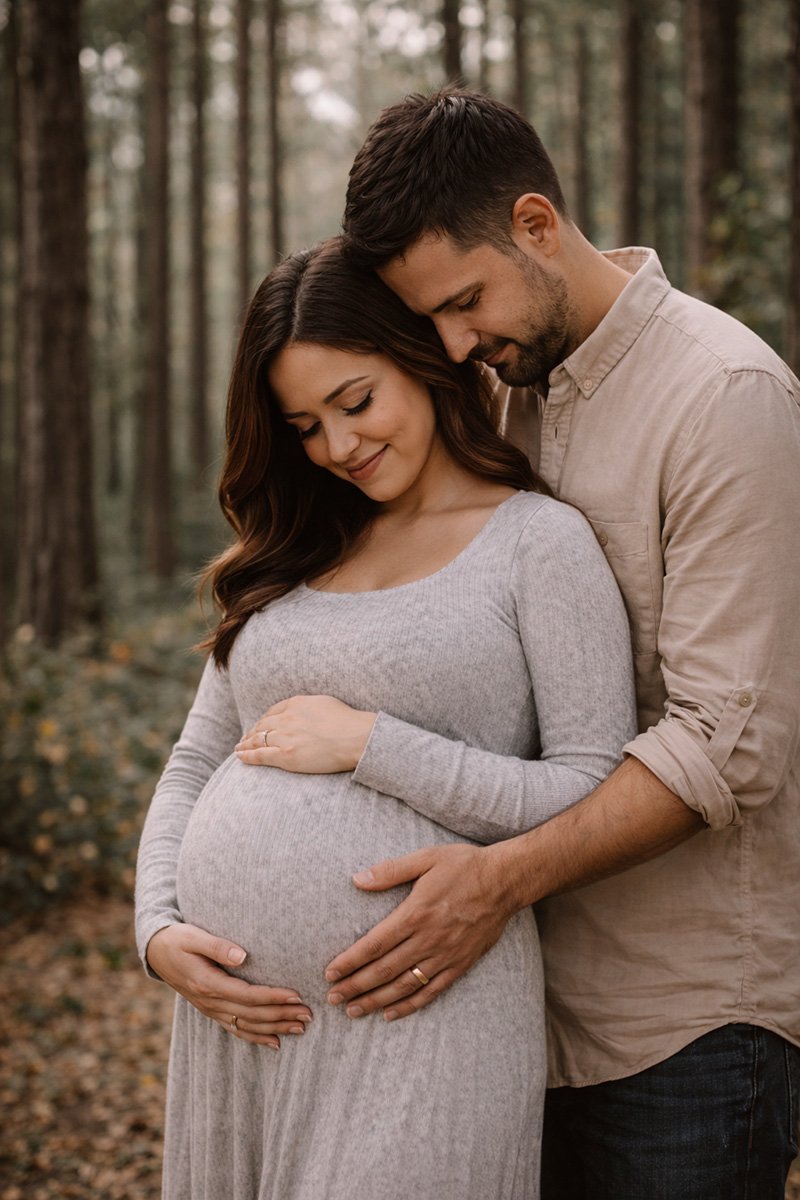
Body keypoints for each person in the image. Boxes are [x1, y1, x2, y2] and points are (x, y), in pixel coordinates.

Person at [300, 89, 800, 1199]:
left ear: (535, 223)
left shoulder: (723, 397)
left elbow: (726, 744)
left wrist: (493, 882)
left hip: (683, 1032)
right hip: (506, 1018)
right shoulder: (492, 392)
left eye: (464, 302)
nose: (454, 342)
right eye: (427, 321)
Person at [135, 238, 635, 1199]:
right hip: (236, 1029)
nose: (337, 446)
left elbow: (591, 787)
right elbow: (197, 759)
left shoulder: (539, 543)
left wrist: (371, 747)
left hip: (423, 1020)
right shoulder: (295, 547)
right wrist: (157, 932)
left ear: (421, 357)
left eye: (355, 402)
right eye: (305, 425)